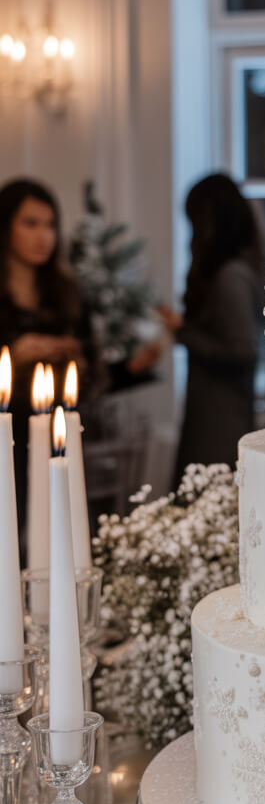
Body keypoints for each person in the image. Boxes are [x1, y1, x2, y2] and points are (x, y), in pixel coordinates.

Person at [0, 179, 94, 539]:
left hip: (58, 431)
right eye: (31, 223)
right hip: (8, 437)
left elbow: (94, 370)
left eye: (51, 225)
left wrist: (76, 361)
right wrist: (14, 354)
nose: (44, 236)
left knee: (61, 530)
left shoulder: (67, 294)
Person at [159, 173, 265, 483]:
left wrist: (184, 332)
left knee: (208, 501)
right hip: (214, 416)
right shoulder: (236, 272)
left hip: (221, 423)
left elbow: (242, 351)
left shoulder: (232, 276)